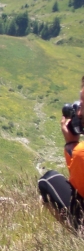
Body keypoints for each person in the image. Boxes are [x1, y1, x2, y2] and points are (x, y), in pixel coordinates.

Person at [38, 76, 84, 234]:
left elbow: (78, 190)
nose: (79, 112)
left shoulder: (80, 152)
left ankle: (77, 236)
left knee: (48, 180)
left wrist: (71, 143)